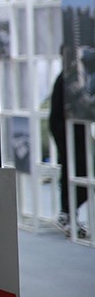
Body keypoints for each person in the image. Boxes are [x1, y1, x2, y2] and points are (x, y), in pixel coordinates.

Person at [49, 68, 89, 238]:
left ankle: (67, 213)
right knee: (76, 169)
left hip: (69, 127)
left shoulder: (72, 74)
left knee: (73, 168)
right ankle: (67, 213)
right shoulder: (72, 75)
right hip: (66, 127)